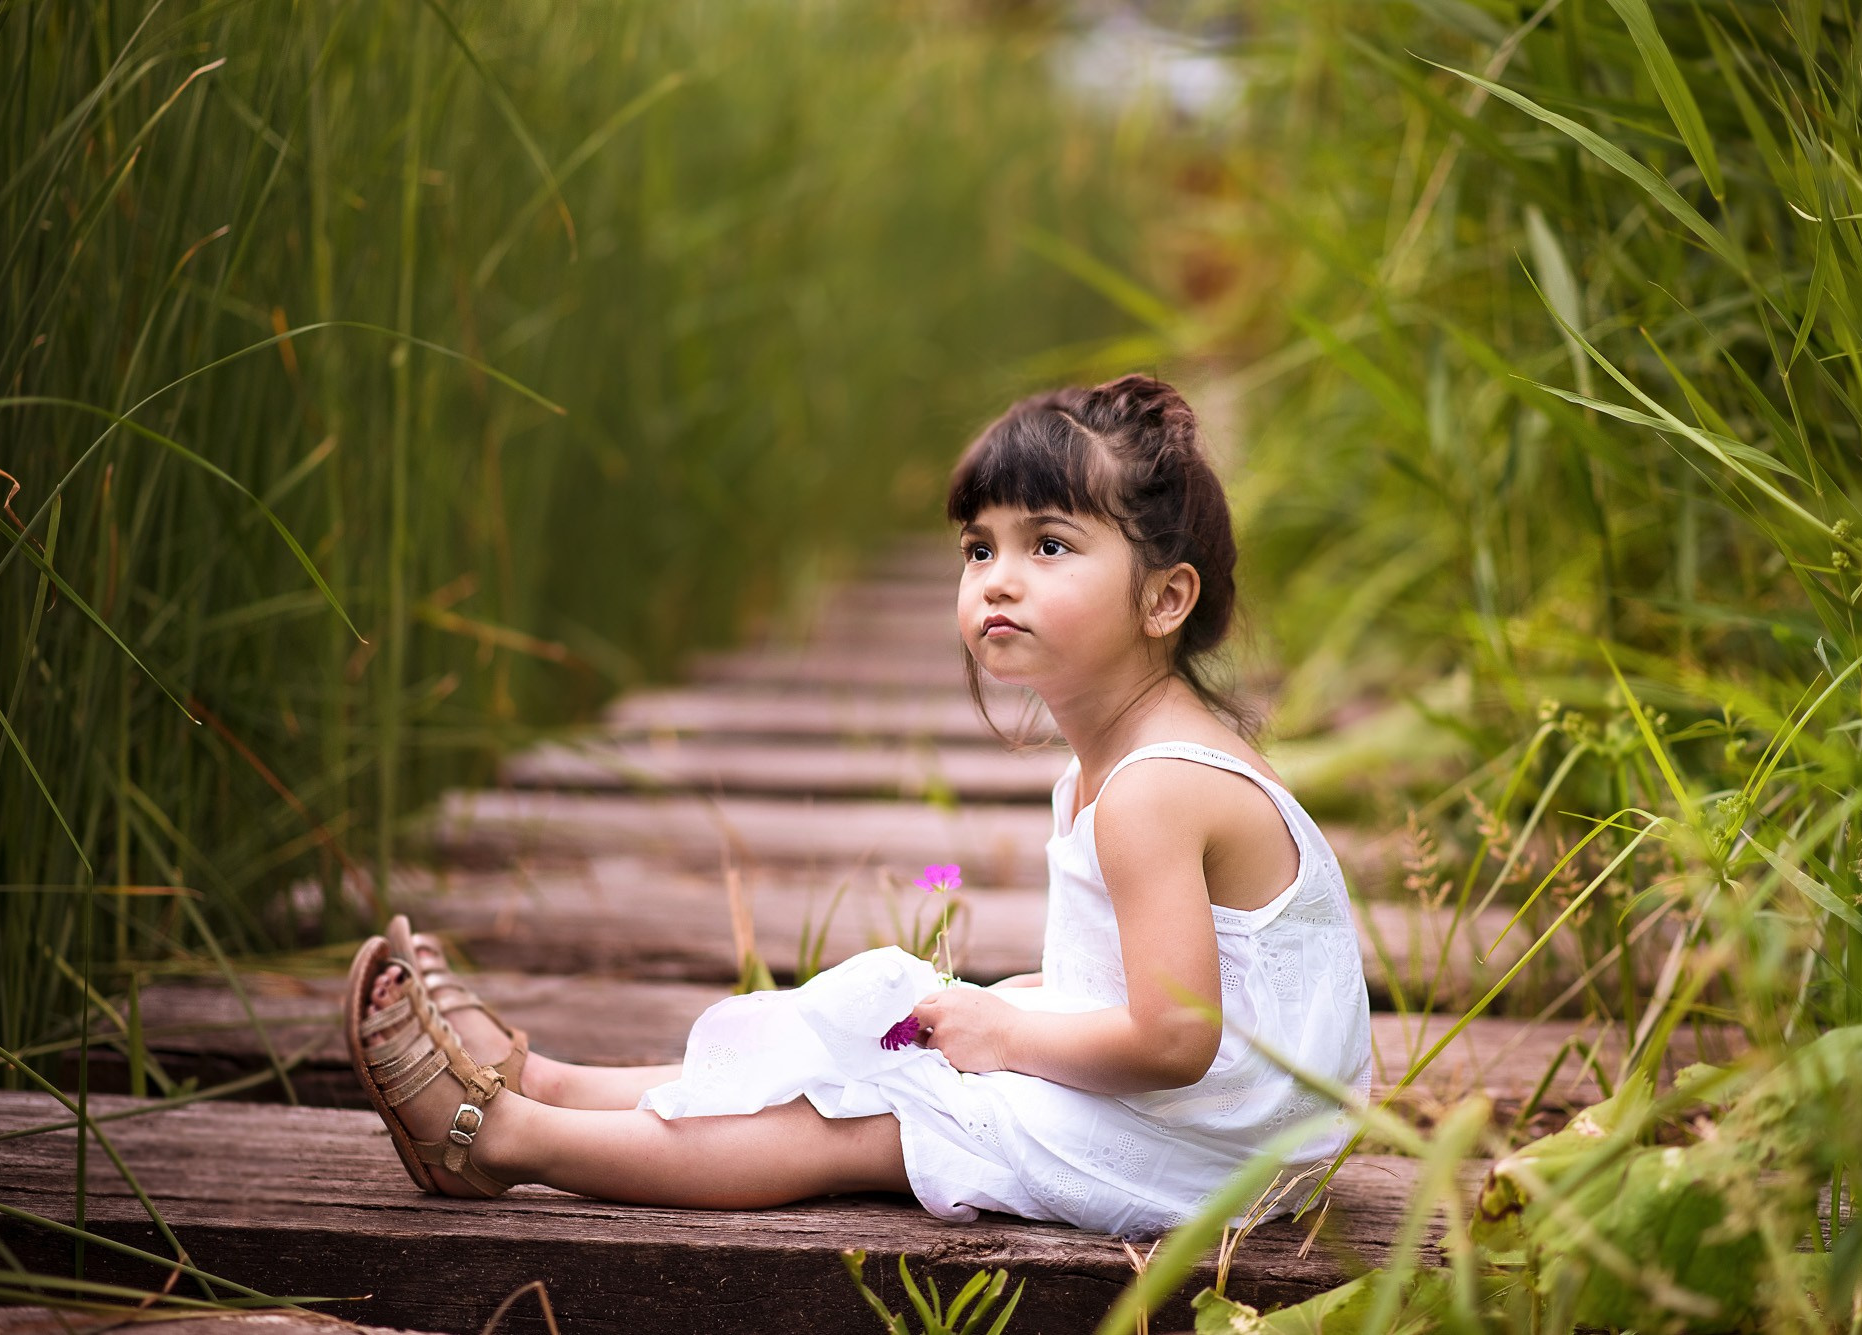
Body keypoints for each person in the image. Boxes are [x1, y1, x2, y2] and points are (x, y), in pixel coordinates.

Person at [345, 373, 1372, 1238]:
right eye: (979, 549)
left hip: (1227, 1156)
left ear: (1164, 600)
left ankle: (502, 1142)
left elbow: (1171, 1042)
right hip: (1208, 1113)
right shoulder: (1112, 766)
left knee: (886, 1108)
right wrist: (1011, 1009)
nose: (996, 581)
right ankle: (551, 1081)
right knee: (884, 1016)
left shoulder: (1158, 786)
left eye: (1048, 547)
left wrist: (1007, 1036)